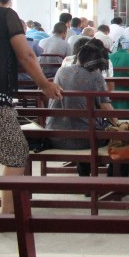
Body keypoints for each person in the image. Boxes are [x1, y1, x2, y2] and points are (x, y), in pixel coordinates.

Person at [0, 0, 63, 213]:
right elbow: (26, 55)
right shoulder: (6, 15)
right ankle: (8, 215)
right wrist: (44, 84)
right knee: (16, 154)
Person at [46, 42, 119, 176]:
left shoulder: (61, 71)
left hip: (55, 137)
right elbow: (106, 108)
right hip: (85, 140)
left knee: (83, 123)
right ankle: (113, 178)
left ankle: (84, 174)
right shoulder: (96, 76)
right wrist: (119, 125)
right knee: (118, 137)